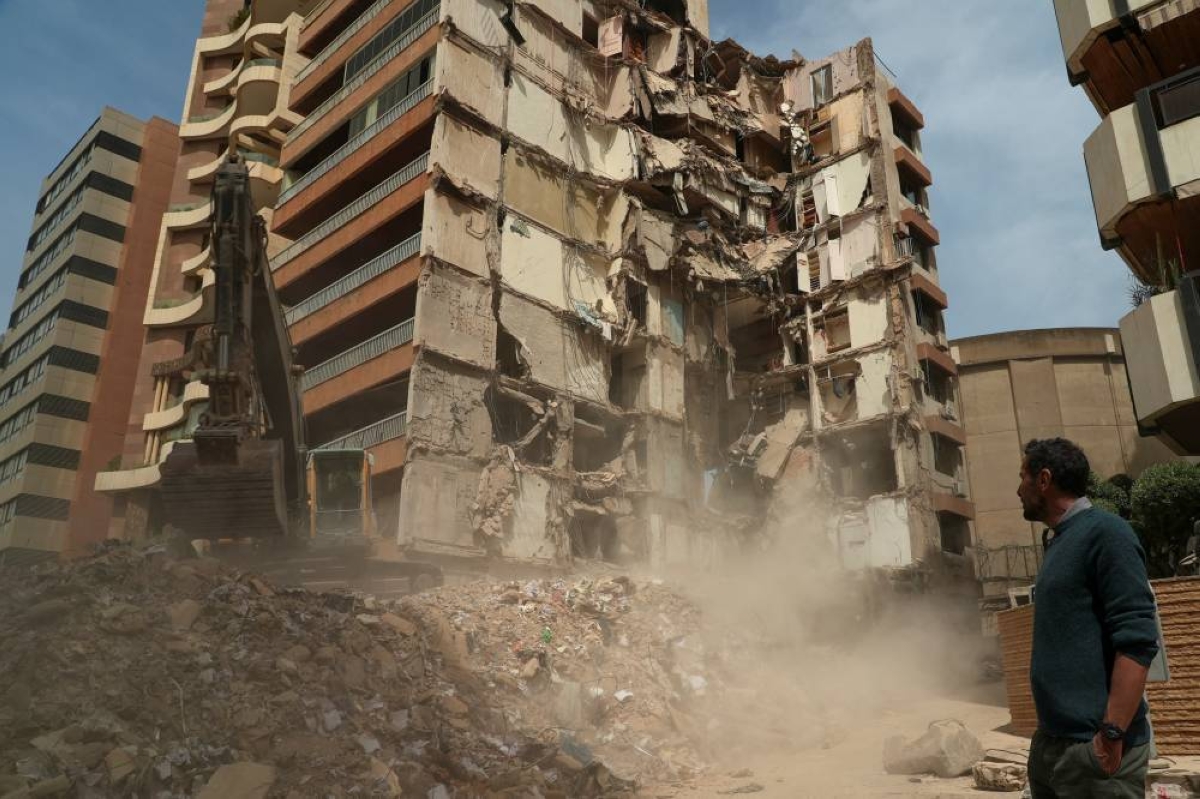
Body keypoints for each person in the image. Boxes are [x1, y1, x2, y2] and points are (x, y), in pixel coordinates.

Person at [1018, 438, 1159, 798]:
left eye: (1023, 478)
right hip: (1054, 745)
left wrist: (1110, 736)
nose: (1018, 490)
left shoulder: (1106, 533)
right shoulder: (1061, 540)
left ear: (1044, 480)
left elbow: (1138, 641)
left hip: (1096, 753)